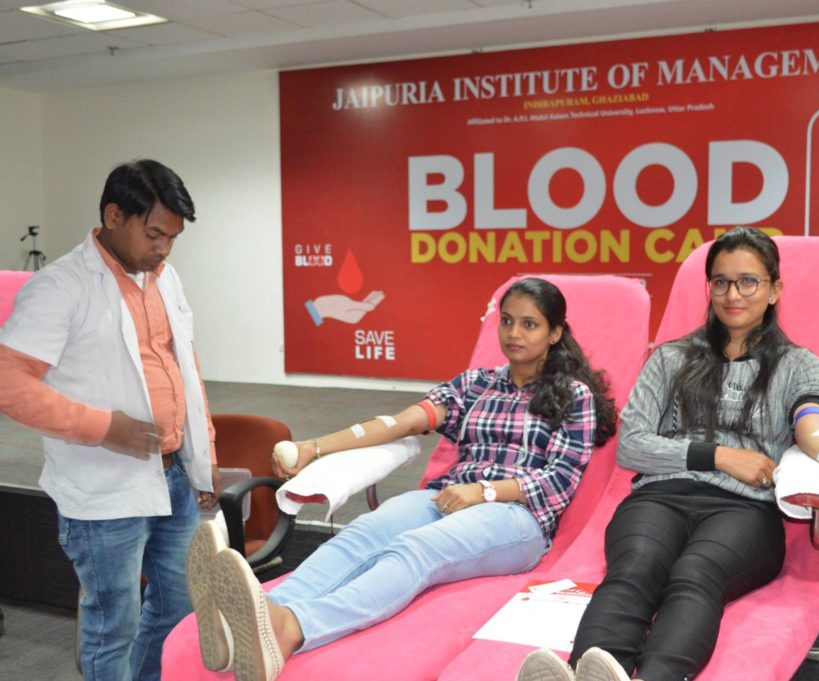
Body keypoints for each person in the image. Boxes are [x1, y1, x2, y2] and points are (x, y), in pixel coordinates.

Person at [517, 228, 819, 681]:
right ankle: (582, 674)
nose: (733, 294)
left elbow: (813, 425)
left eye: (748, 282)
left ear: (774, 289)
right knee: (635, 569)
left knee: (695, 573)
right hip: (659, 497)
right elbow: (632, 444)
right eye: (721, 282)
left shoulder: (796, 365)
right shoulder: (670, 358)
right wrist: (719, 456)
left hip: (745, 509)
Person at [186, 277, 618, 681]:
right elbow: (400, 423)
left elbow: (559, 481)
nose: (514, 333)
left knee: (415, 548)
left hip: (516, 516)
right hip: (449, 496)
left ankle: (292, 628)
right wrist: (313, 447)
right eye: (506, 321)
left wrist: (483, 492)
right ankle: (255, 615)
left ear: (555, 333)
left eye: (529, 324)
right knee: (365, 532)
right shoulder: (476, 384)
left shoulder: (573, 395)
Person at [0, 160, 220, 681]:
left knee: (178, 607)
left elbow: (184, 369)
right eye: (154, 234)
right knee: (113, 625)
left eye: (173, 238)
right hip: (103, 488)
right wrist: (102, 427)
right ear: (114, 215)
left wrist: (204, 454)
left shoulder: (165, 279)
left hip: (174, 475)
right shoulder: (60, 286)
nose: (164, 249)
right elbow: (9, 383)